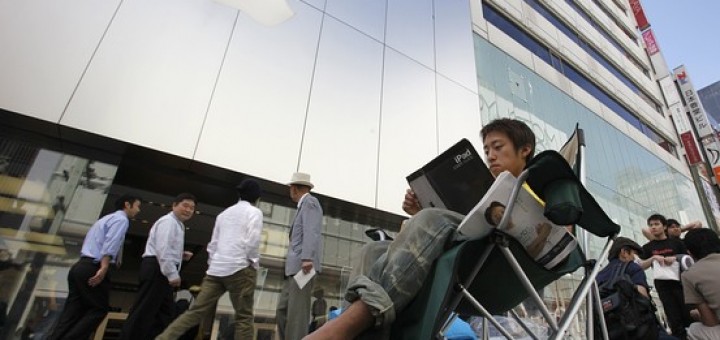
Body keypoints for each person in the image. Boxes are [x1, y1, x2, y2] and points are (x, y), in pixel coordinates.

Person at [305, 118, 536, 340]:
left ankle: (347, 326)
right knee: (374, 250)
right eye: (486, 151)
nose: (490, 156)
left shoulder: (534, 187)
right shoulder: (484, 187)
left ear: (524, 150)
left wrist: (429, 218)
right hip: (459, 254)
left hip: (491, 267)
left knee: (431, 219)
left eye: (497, 147)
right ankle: (355, 329)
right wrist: (419, 213)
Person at [156, 180, 263, 340]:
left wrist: (213, 264)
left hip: (216, 270)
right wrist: (253, 262)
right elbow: (252, 241)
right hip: (240, 268)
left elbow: (213, 245)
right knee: (244, 318)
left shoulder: (224, 214)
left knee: (195, 312)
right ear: (257, 197)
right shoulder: (254, 213)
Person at [48, 194, 141, 340]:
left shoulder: (105, 219)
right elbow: (111, 242)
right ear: (127, 205)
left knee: (72, 312)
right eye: (137, 206)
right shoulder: (121, 219)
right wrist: (104, 267)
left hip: (80, 266)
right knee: (99, 309)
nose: (138, 210)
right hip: (94, 266)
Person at [119, 193, 197, 340]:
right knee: (144, 311)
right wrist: (172, 274)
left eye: (192, 208)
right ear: (174, 205)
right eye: (185, 206)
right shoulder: (168, 222)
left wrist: (180, 254)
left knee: (164, 313)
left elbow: (165, 248)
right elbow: (163, 248)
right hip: (157, 269)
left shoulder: (177, 224)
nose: (188, 210)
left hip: (160, 268)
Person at [276, 172, 324, 340]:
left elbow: (312, 230)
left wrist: (307, 258)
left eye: (290, 188)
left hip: (304, 267)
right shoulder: (303, 205)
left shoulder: (310, 202)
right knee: (282, 311)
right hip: (294, 268)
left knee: (297, 316)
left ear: (294, 189)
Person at [639, 214, 692, 340]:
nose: (653, 227)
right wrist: (652, 258)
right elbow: (641, 266)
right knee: (674, 319)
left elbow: (688, 260)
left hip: (682, 285)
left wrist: (675, 258)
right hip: (663, 287)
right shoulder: (648, 247)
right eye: (651, 225)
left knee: (690, 315)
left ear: (664, 226)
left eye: (657, 224)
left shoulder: (676, 242)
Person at [681, 228, 720, 340]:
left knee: (693, 329)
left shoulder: (689, 275)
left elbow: (710, 322)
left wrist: (697, 314)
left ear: (689, 252)